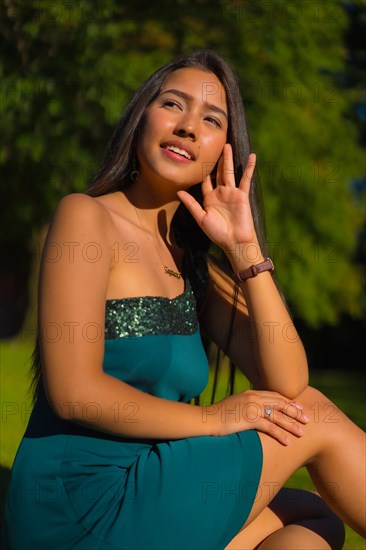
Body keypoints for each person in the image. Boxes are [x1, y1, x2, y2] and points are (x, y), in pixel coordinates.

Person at [3, 49, 365, 550]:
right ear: (141, 118)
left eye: (211, 119)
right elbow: (73, 390)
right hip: (81, 502)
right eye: (173, 105)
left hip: (153, 487)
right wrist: (215, 418)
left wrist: (245, 251)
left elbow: (288, 382)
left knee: (312, 523)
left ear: (224, 152)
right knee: (317, 419)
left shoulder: (194, 265)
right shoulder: (86, 218)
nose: (189, 127)